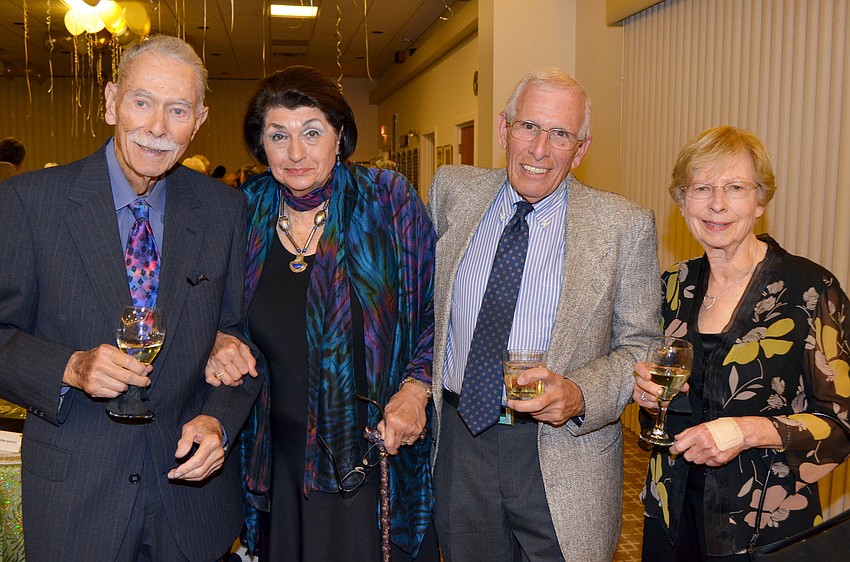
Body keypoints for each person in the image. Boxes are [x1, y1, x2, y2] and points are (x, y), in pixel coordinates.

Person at [0, 35, 261, 561]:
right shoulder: (28, 204)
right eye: (142, 102)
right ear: (110, 101)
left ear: (200, 119)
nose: (158, 127)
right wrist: (69, 367)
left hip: (191, 503)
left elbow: (243, 339)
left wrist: (218, 420)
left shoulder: (224, 212)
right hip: (77, 501)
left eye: (178, 110)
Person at [428, 68, 661, 562]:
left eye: (560, 134)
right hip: (460, 443)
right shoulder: (451, 192)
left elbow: (643, 345)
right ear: (502, 129)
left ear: (580, 150)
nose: (539, 149)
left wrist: (581, 394)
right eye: (528, 126)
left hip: (562, 453)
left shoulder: (623, 226)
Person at [213, 65, 438, 561]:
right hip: (276, 459)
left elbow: (430, 313)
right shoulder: (242, 212)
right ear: (261, 144)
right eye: (279, 136)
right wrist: (217, 341)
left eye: (312, 133)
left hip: (372, 450)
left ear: (339, 136)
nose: (296, 153)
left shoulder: (387, 201)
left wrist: (416, 389)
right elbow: (215, 313)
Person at [633, 126, 850, 560]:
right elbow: (664, 407)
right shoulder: (672, 287)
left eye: (735, 187)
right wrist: (645, 395)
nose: (717, 204)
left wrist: (746, 431)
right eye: (702, 188)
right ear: (682, 201)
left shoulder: (809, 290)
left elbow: (841, 424)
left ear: (760, 200)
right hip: (671, 515)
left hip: (761, 525)